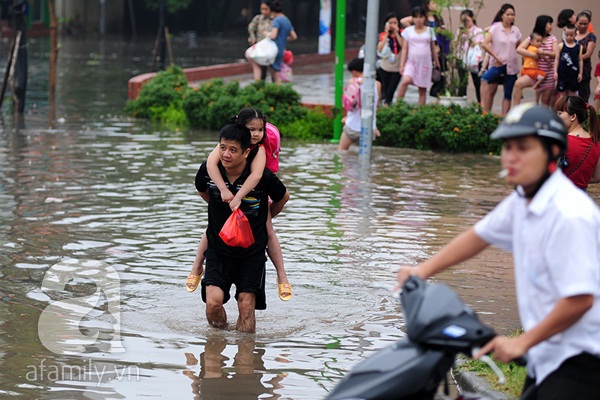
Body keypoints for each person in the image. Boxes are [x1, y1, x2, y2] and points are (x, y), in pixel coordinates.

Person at [397, 103, 600, 400]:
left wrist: (523, 341)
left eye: (523, 148)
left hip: (582, 360)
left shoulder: (569, 213)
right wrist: (423, 270)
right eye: (507, 147)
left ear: (554, 153)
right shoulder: (525, 198)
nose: (511, 156)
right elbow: (479, 235)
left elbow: (580, 299)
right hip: (549, 355)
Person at [187, 108, 292, 302]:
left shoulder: (258, 150)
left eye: (260, 130)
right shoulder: (226, 145)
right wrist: (224, 193)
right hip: (229, 198)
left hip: (253, 197)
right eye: (251, 129)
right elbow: (210, 166)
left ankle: (282, 276)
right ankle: (196, 267)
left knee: (268, 230)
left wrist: (242, 200)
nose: (256, 134)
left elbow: (257, 175)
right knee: (212, 228)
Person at [480, 4, 521, 115]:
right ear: (502, 15)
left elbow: (518, 46)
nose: (510, 17)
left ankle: (504, 118)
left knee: (507, 93)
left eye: (512, 15)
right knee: (485, 80)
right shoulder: (495, 28)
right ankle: (484, 110)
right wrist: (496, 57)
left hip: (511, 66)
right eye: (508, 14)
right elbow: (485, 44)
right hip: (498, 64)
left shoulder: (516, 31)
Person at [396, 6, 440, 106]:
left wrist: (437, 63)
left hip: (425, 63)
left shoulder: (430, 31)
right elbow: (405, 48)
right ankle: (397, 106)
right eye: (416, 17)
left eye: (420, 17)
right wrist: (402, 65)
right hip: (411, 62)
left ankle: (421, 112)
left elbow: (433, 49)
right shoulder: (408, 31)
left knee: (422, 89)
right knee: (405, 81)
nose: (418, 19)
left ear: (424, 18)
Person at [555, 95, 600, 190]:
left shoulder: (563, 142)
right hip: (581, 197)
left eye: (559, 113)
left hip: (561, 195)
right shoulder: (596, 144)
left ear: (573, 117)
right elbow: (596, 177)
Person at [513, 16, 557, 108]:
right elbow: (519, 49)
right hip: (533, 73)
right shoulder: (532, 37)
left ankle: (543, 120)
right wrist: (533, 55)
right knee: (518, 84)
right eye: (549, 24)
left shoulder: (552, 39)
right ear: (543, 25)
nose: (551, 26)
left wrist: (544, 52)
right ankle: (516, 110)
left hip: (547, 74)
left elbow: (555, 53)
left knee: (545, 102)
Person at [338, 57, 379, 151]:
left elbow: (348, 103)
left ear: (354, 72)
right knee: (365, 154)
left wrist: (346, 117)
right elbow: (376, 105)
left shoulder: (353, 83)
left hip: (353, 126)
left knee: (342, 149)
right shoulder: (377, 84)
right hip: (369, 127)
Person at [456, 9, 484, 104]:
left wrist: (468, 35)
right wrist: (460, 35)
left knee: (477, 82)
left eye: (467, 20)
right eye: (463, 21)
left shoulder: (478, 31)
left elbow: (475, 45)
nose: (465, 23)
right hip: (462, 58)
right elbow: (456, 45)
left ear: (473, 18)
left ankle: (480, 103)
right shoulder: (460, 31)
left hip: (474, 60)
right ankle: (461, 103)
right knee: (462, 83)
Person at [267, 0, 297, 84]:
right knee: (279, 69)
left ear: (272, 11)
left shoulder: (277, 20)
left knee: (276, 72)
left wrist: (266, 34)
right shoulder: (286, 20)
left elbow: (273, 35)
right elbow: (294, 36)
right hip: (282, 49)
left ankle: (277, 91)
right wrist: (284, 38)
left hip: (275, 49)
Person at [377, 12, 403, 106]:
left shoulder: (402, 33)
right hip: (385, 67)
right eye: (390, 23)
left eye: (395, 23)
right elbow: (379, 48)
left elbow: (403, 45)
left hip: (397, 67)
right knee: (385, 88)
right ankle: (385, 105)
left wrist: (397, 33)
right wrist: (386, 34)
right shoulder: (383, 35)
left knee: (391, 90)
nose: (393, 25)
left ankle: (388, 104)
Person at [247, 1, 274, 82]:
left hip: (271, 47)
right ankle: (261, 84)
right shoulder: (258, 18)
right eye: (262, 9)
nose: (264, 11)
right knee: (262, 68)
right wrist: (252, 37)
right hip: (260, 46)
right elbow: (251, 28)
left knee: (274, 67)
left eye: (266, 9)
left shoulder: (274, 19)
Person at [554, 25, 583, 98]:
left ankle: (571, 109)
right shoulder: (560, 46)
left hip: (573, 75)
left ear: (575, 35)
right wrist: (555, 72)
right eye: (567, 35)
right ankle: (561, 108)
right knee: (562, 94)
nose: (569, 37)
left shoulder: (579, 47)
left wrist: (580, 73)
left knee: (572, 94)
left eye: (571, 35)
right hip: (562, 74)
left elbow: (580, 60)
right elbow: (557, 59)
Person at [575, 11, 597, 102]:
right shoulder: (571, 33)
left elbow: (588, 54)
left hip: (584, 68)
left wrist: (574, 59)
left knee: (582, 94)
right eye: (580, 23)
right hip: (569, 67)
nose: (583, 26)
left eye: (585, 24)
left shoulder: (591, 37)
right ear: (576, 22)